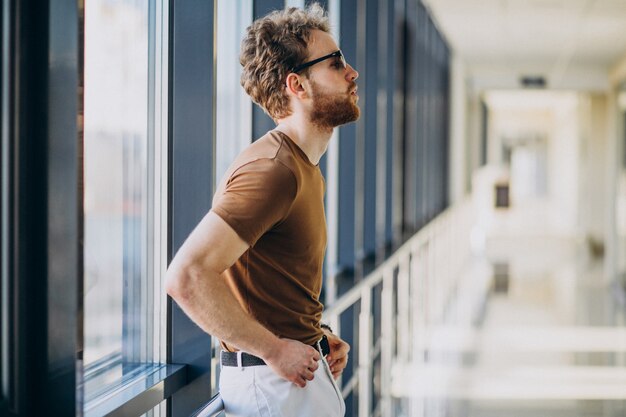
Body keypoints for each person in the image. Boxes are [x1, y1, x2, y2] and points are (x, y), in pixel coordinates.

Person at [165, 3, 359, 416]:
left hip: (289, 380)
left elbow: (267, 284)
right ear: (298, 85)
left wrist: (316, 336)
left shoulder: (302, 168)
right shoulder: (272, 170)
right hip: (270, 387)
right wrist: (273, 349)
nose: (352, 72)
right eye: (336, 62)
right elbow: (186, 275)